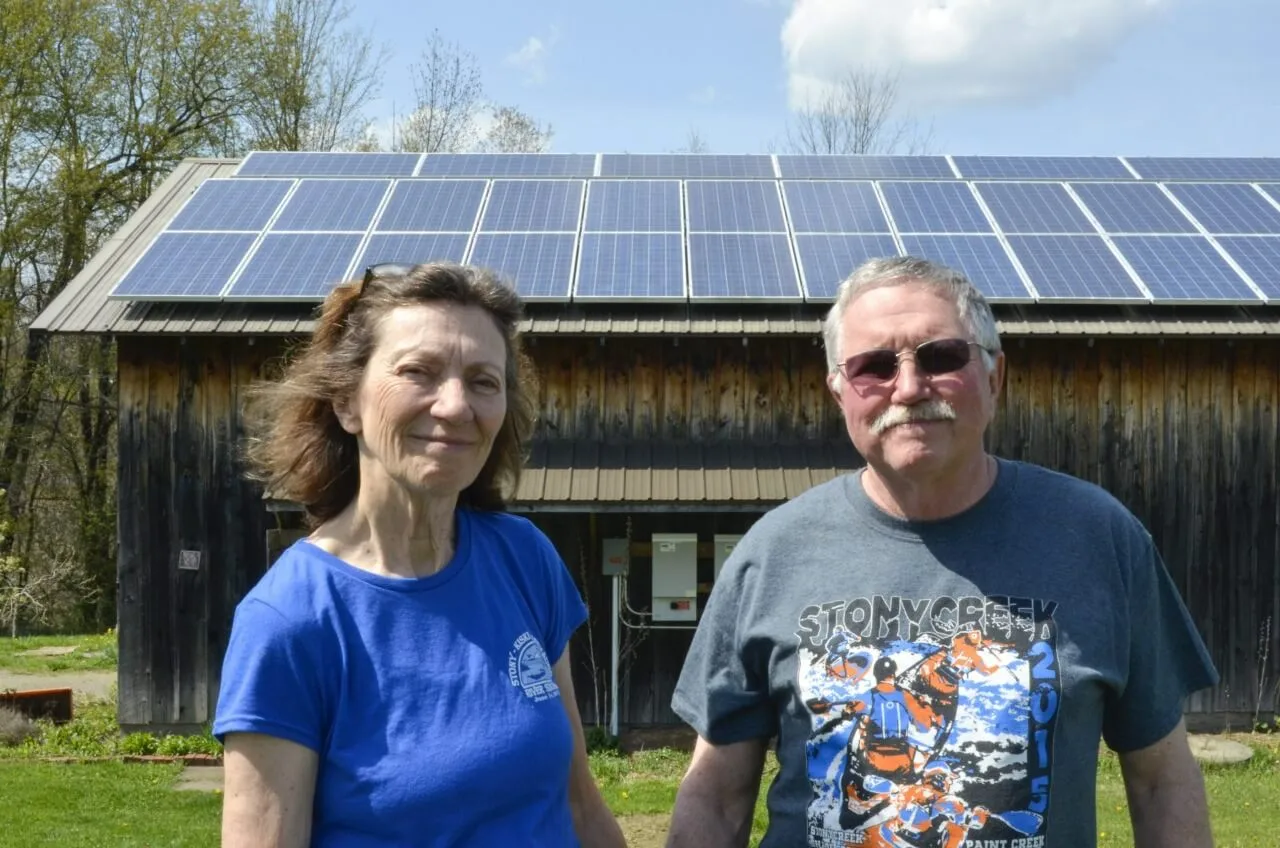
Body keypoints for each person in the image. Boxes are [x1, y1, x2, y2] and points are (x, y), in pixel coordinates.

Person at [666, 256, 1218, 848]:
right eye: (873, 366)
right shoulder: (772, 553)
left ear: (995, 376)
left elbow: (1161, 780)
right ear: (838, 391)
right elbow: (717, 795)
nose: (908, 387)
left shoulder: (1101, 538)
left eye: (940, 356)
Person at [213, 262, 626, 847]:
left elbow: (579, 801)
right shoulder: (290, 621)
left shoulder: (523, 559)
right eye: (419, 372)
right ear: (346, 403)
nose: (456, 406)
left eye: (484, 381)